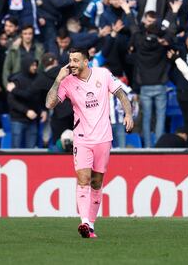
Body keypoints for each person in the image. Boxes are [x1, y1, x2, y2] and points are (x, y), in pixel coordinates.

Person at [45, 48, 133, 238]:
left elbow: (122, 95)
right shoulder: (67, 82)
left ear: (86, 62)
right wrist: (58, 79)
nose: (72, 64)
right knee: (83, 178)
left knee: (97, 181)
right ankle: (84, 222)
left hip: (103, 137)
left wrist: (128, 114)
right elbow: (49, 104)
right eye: (70, 60)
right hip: (82, 138)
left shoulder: (103, 74)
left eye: (76, 60)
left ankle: (91, 225)